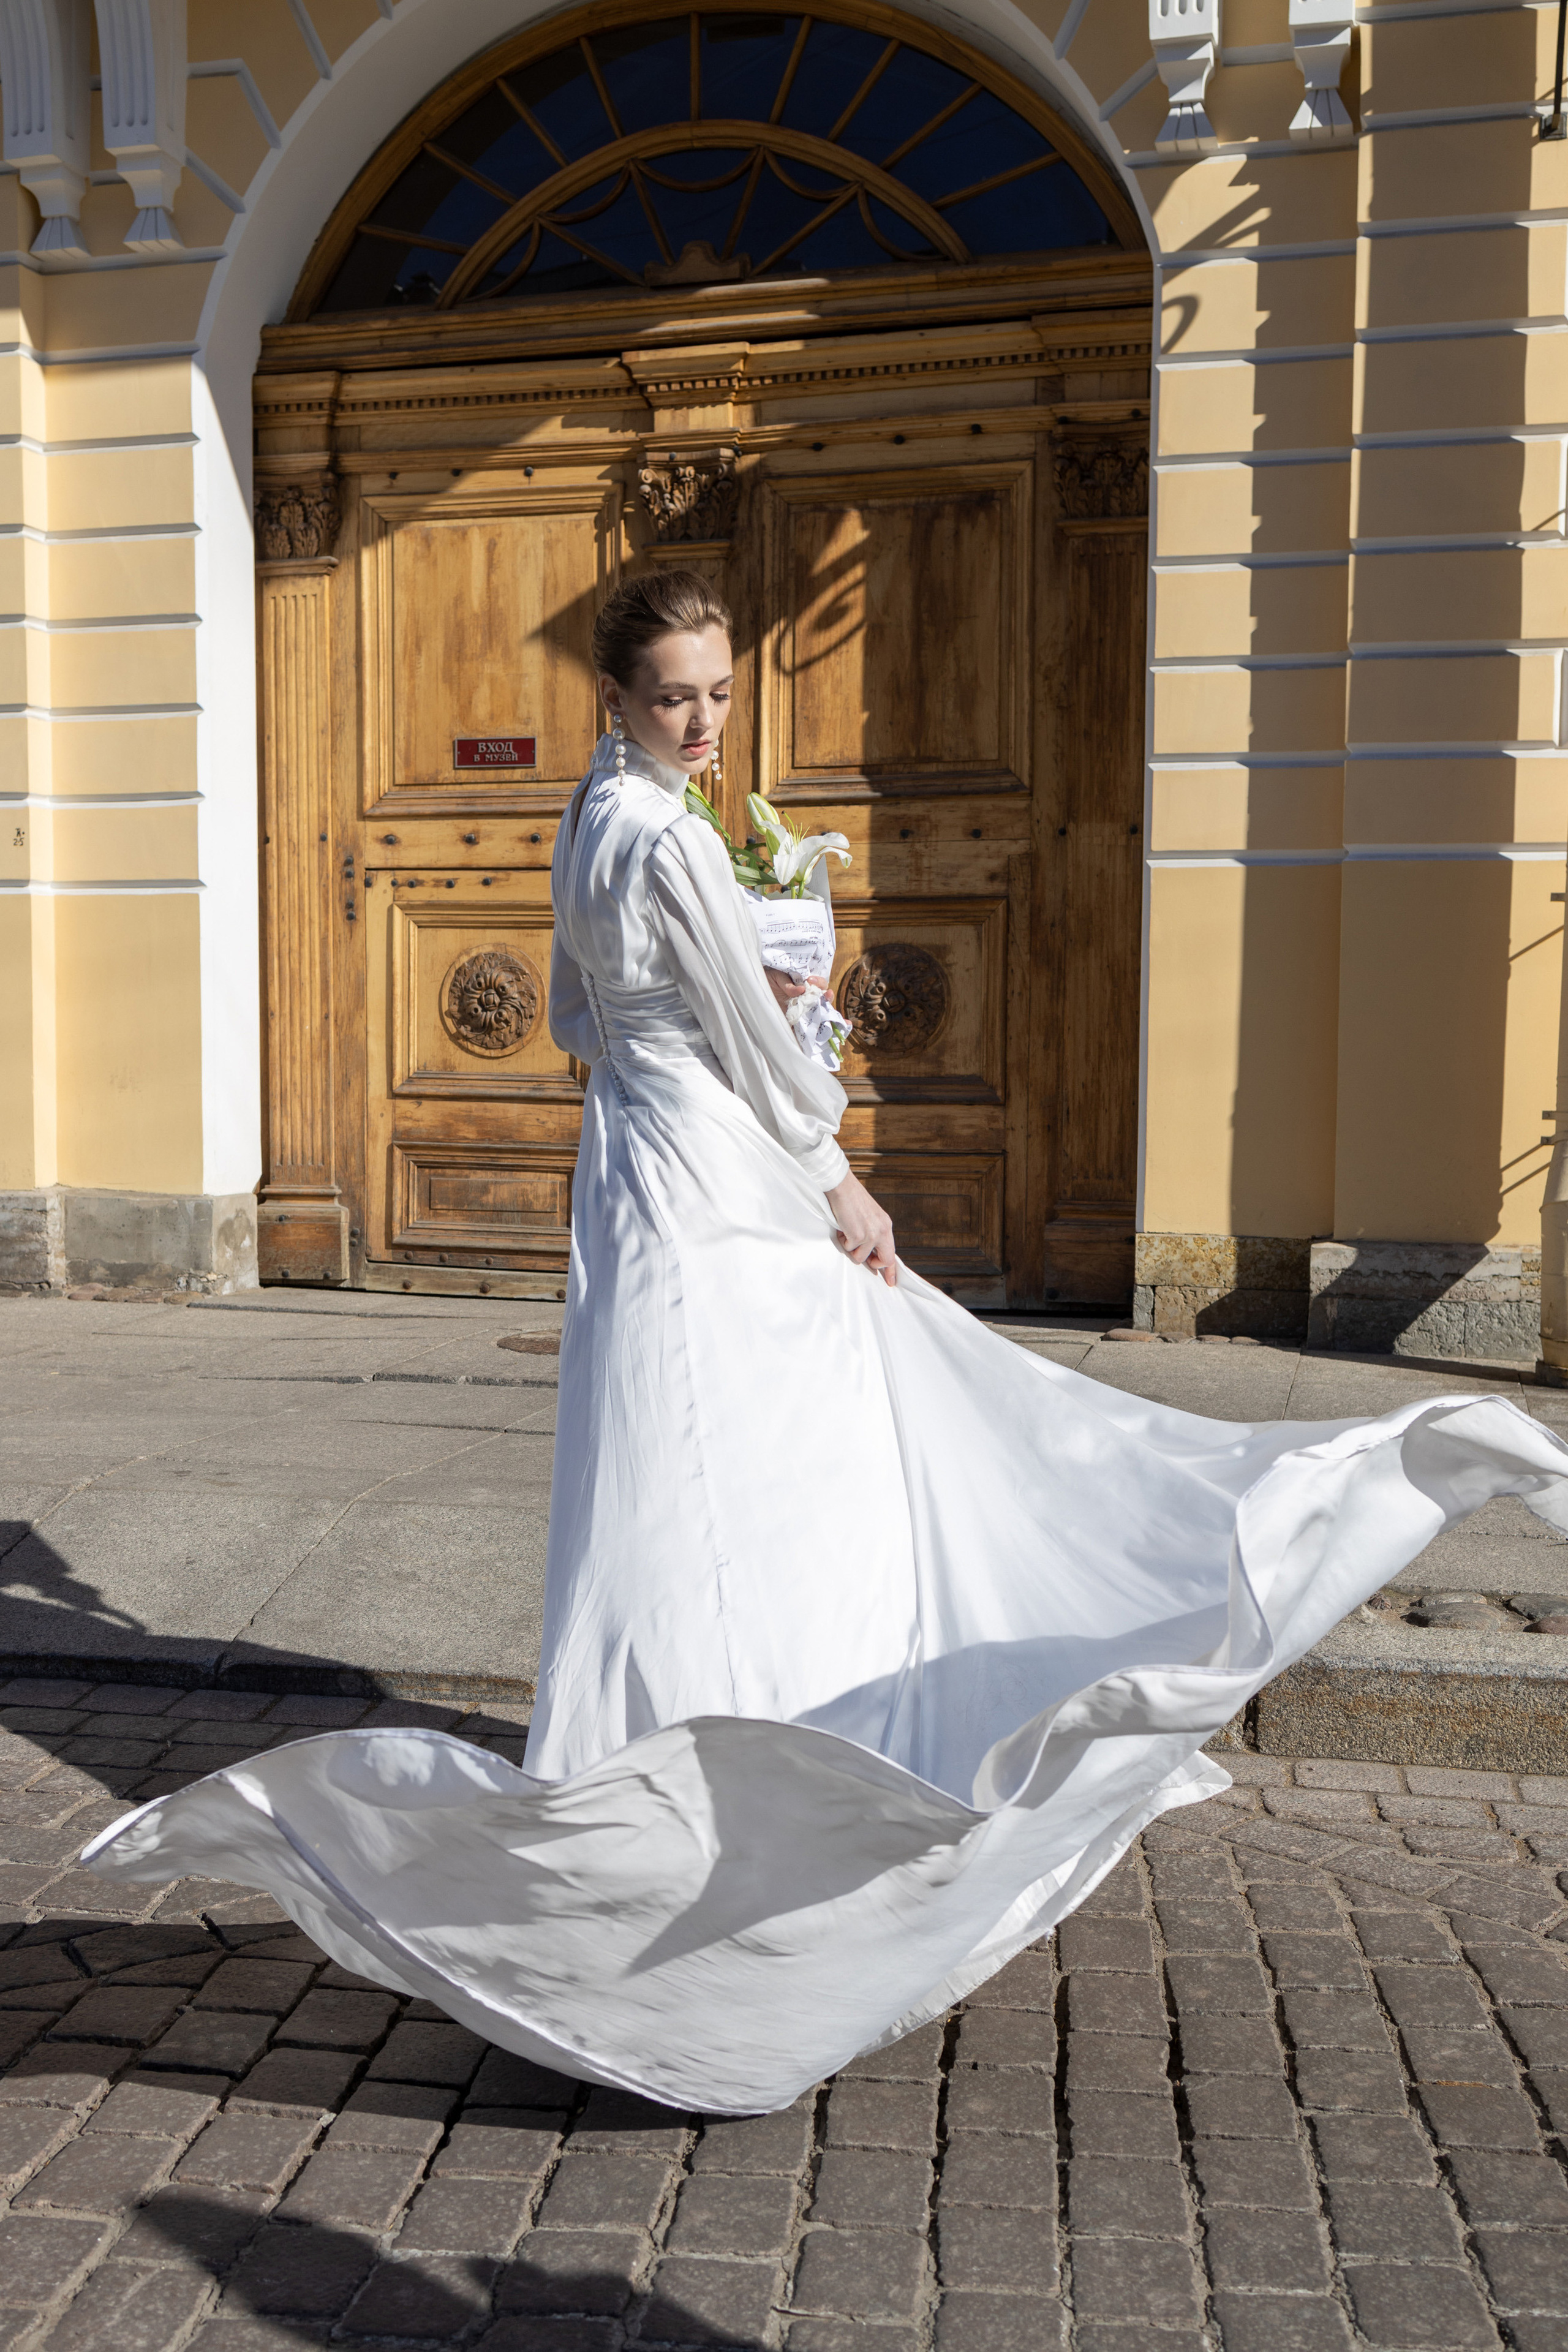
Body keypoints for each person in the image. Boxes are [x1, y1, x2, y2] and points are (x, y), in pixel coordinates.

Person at [85, 571, 1568, 2116]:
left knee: (711, 1474)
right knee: (751, 1470)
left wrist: (726, 1010)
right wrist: (836, 1159)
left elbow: (577, 1026)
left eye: (719, 690)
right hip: (717, 1182)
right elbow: (764, 1052)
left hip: (641, 1168)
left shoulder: (591, 815)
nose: (703, 718)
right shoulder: (658, 833)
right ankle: (746, 1817)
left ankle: (714, 1766)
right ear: (612, 696)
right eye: (673, 694)